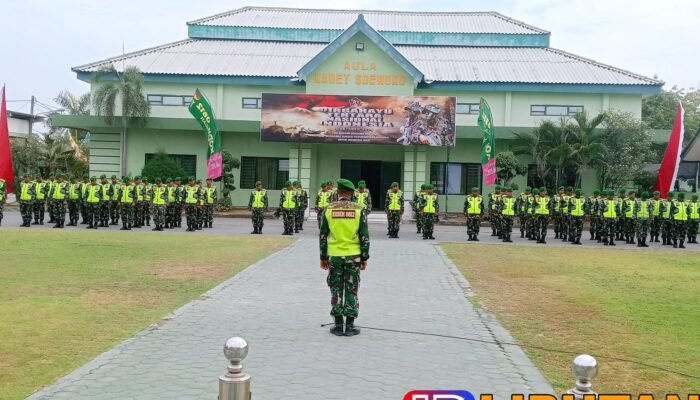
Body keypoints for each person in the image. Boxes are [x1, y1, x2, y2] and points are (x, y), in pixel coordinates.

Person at [319, 179, 369, 337]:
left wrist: (323, 256)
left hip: (334, 255)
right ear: (351, 192)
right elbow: (364, 236)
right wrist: (364, 256)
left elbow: (323, 235)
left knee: (336, 288)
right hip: (353, 255)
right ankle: (351, 325)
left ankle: (338, 325)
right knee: (352, 288)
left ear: (338, 192)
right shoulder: (359, 209)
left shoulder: (328, 209)